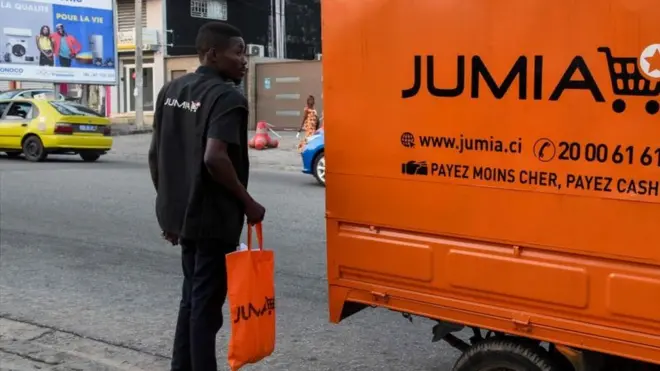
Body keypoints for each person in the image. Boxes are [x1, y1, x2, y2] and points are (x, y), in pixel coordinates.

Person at [147, 21, 265, 371]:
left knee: (191, 299)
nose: (245, 60)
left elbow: (157, 157)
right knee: (205, 307)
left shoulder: (171, 90)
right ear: (212, 54)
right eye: (239, 51)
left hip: (185, 218)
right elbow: (215, 157)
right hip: (214, 220)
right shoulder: (227, 97)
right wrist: (249, 203)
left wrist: (171, 214)